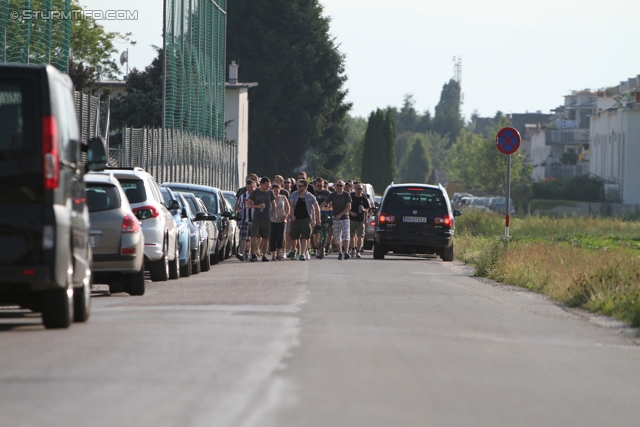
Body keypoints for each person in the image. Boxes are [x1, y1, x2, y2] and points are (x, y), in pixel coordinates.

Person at [246, 177, 276, 262]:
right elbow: (249, 204)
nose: (268, 186)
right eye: (266, 185)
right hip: (256, 218)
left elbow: (273, 203)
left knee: (265, 237)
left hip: (266, 218)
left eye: (268, 184)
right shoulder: (255, 192)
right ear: (262, 184)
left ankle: (264, 255)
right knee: (254, 236)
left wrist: (274, 212)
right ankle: (253, 254)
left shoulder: (270, 192)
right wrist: (257, 206)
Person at [289, 179, 320, 261]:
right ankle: (294, 250)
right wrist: (291, 215)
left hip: (306, 219)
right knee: (294, 237)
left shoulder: (310, 196)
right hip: (296, 219)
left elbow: (317, 208)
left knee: (305, 237)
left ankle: (302, 254)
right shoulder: (294, 194)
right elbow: (291, 206)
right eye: (297, 186)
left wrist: (317, 219)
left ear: (305, 187)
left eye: (300, 186)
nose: (298, 187)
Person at [320, 180, 352, 260]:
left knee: (346, 235)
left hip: (345, 218)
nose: (339, 187)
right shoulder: (332, 195)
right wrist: (317, 208)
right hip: (335, 219)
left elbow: (348, 207)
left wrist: (341, 214)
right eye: (337, 185)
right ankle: (340, 252)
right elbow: (325, 203)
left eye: (340, 186)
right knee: (337, 236)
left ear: (343, 187)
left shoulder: (346, 195)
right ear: (335, 186)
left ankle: (346, 252)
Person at [235, 179, 256, 261]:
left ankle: (252, 253)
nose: (250, 189)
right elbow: (239, 207)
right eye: (248, 187)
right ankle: (242, 253)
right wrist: (239, 210)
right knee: (243, 237)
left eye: (251, 187)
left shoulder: (257, 196)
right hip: (245, 219)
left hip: (255, 220)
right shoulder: (242, 196)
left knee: (253, 238)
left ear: (254, 187)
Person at [348, 183, 371, 258]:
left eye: (360, 189)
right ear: (355, 189)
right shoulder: (351, 197)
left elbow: (367, 209)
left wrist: (364, 211)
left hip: (360, 219)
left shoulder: (364, 198)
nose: (359, 190)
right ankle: (353, 248)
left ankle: (358, 251)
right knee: (352, 236)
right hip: (352, 219)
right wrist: (351, 213)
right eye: (358, 189)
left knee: (360, 235)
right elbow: (347, 207)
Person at [269, 183, 290, 260]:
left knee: (280, 237)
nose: (276, 192)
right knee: (272, 237)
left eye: (277, 191)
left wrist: (286, 216)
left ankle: (279, 253)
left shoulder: (283, 197)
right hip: (272, 220)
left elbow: (288, 208)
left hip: (282, 220)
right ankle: (273, 254)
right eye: (274, 191)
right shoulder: (270, 198)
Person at [311, 177, 331, 256]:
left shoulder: (327, 193)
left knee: (325, 231)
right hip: (314, 214)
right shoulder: (313, 193)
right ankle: (314, 247)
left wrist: (330, 210)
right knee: (314, 232)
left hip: (325, 213)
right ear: (315, 185)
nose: (319, 187)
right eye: (318, 185)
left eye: (321, 186)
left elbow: (331, 203)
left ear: (323, 185)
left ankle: (324, 247)